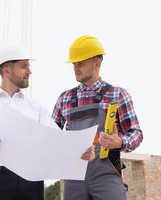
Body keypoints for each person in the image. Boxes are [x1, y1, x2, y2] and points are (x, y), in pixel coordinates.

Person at [0, 44, 95, 200]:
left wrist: (81, 152)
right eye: (24, 66)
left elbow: (57, 140)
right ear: (7, 71)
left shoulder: (36, 108)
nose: (29, 71)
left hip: (31, 182)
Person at [52, 35, 143, 200]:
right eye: (74, 63)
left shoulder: (117, 94)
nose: (76, 67)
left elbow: (136, 133)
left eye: (81, 63)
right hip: (74, 177)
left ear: (97, 63)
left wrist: (120, 142)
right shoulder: (64, 98)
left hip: (106, 175)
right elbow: (51, 137)